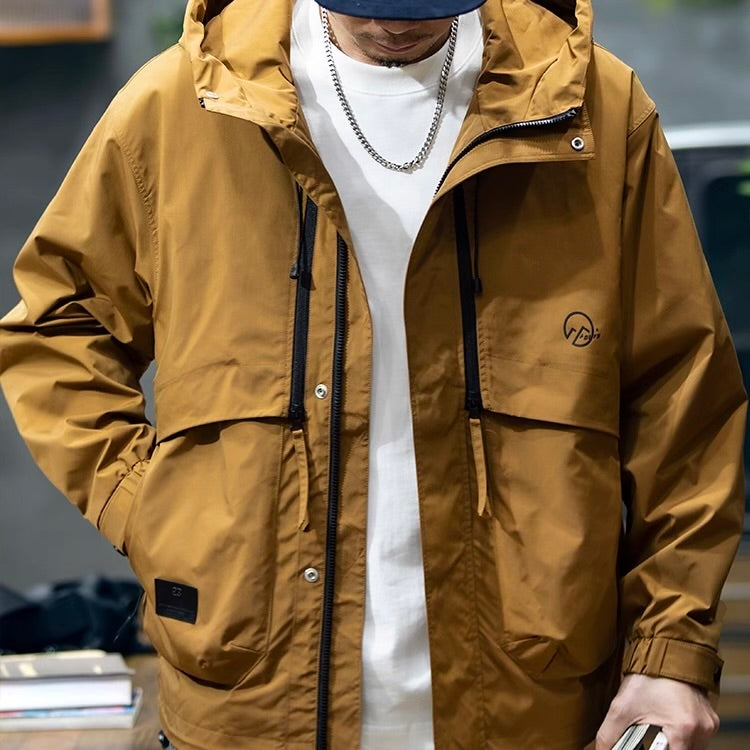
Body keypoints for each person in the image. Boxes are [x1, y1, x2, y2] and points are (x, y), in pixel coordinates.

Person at [0, 0, 745, 748]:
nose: (396, 22)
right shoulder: (185, 105)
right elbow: (58, 328)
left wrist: (670, 649)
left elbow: (680, 394)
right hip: (253, 703)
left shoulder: (589, 106)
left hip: (531, 702)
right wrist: (155, 509)